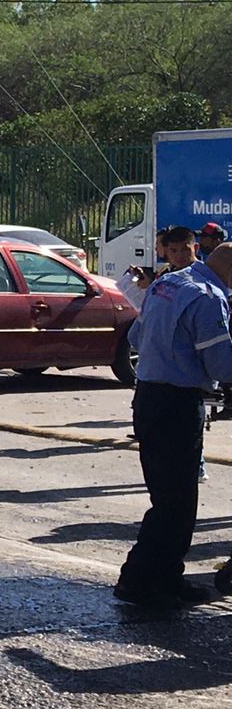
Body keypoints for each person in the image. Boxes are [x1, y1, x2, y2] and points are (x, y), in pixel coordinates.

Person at [115, 245, 232, 608]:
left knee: (166, 497)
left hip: (148, 398)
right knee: (177, 504)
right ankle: (139, 581)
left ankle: (163, 577)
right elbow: (222, 366)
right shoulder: (209, 298)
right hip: (177, 404)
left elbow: (135, 338)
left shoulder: (168, 284)